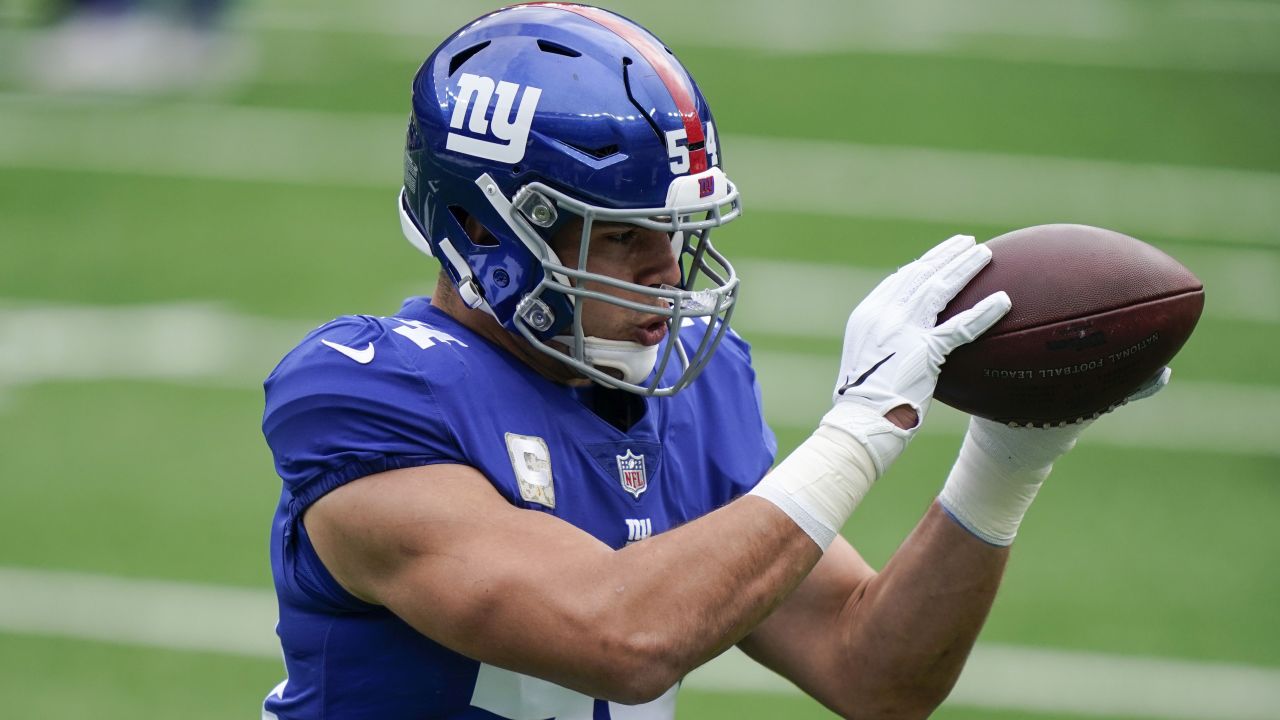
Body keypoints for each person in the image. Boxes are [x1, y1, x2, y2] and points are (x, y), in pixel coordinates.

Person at [261, 4, 1166, 718]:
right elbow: (620, 634)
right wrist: (858, 432)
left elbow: (873, 673)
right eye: (621, 238)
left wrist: (1007, 457)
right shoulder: (371, 396)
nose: (668, 275)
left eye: (676, 234)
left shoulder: (689, 387)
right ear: (482, 228)